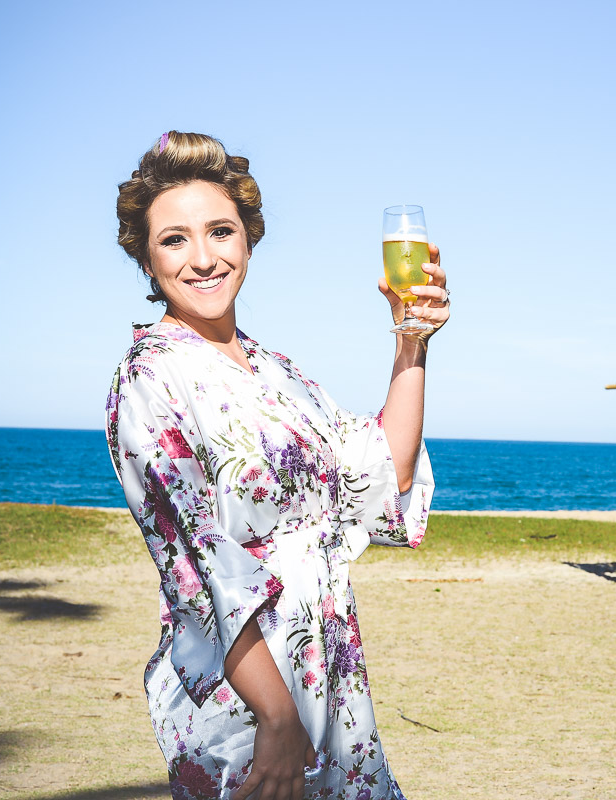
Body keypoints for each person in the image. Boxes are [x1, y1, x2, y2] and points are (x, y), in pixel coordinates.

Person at [105, 131, 447, 800]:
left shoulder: (278, 373)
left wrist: (412, 340)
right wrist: (277, 716)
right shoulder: (148, 378)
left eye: (221, 232)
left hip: (328, 677)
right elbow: (198, 565)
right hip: (249, 694)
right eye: (174, 240)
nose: (202, 258)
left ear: (248, 243)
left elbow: (382, 472)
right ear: (146, 261)